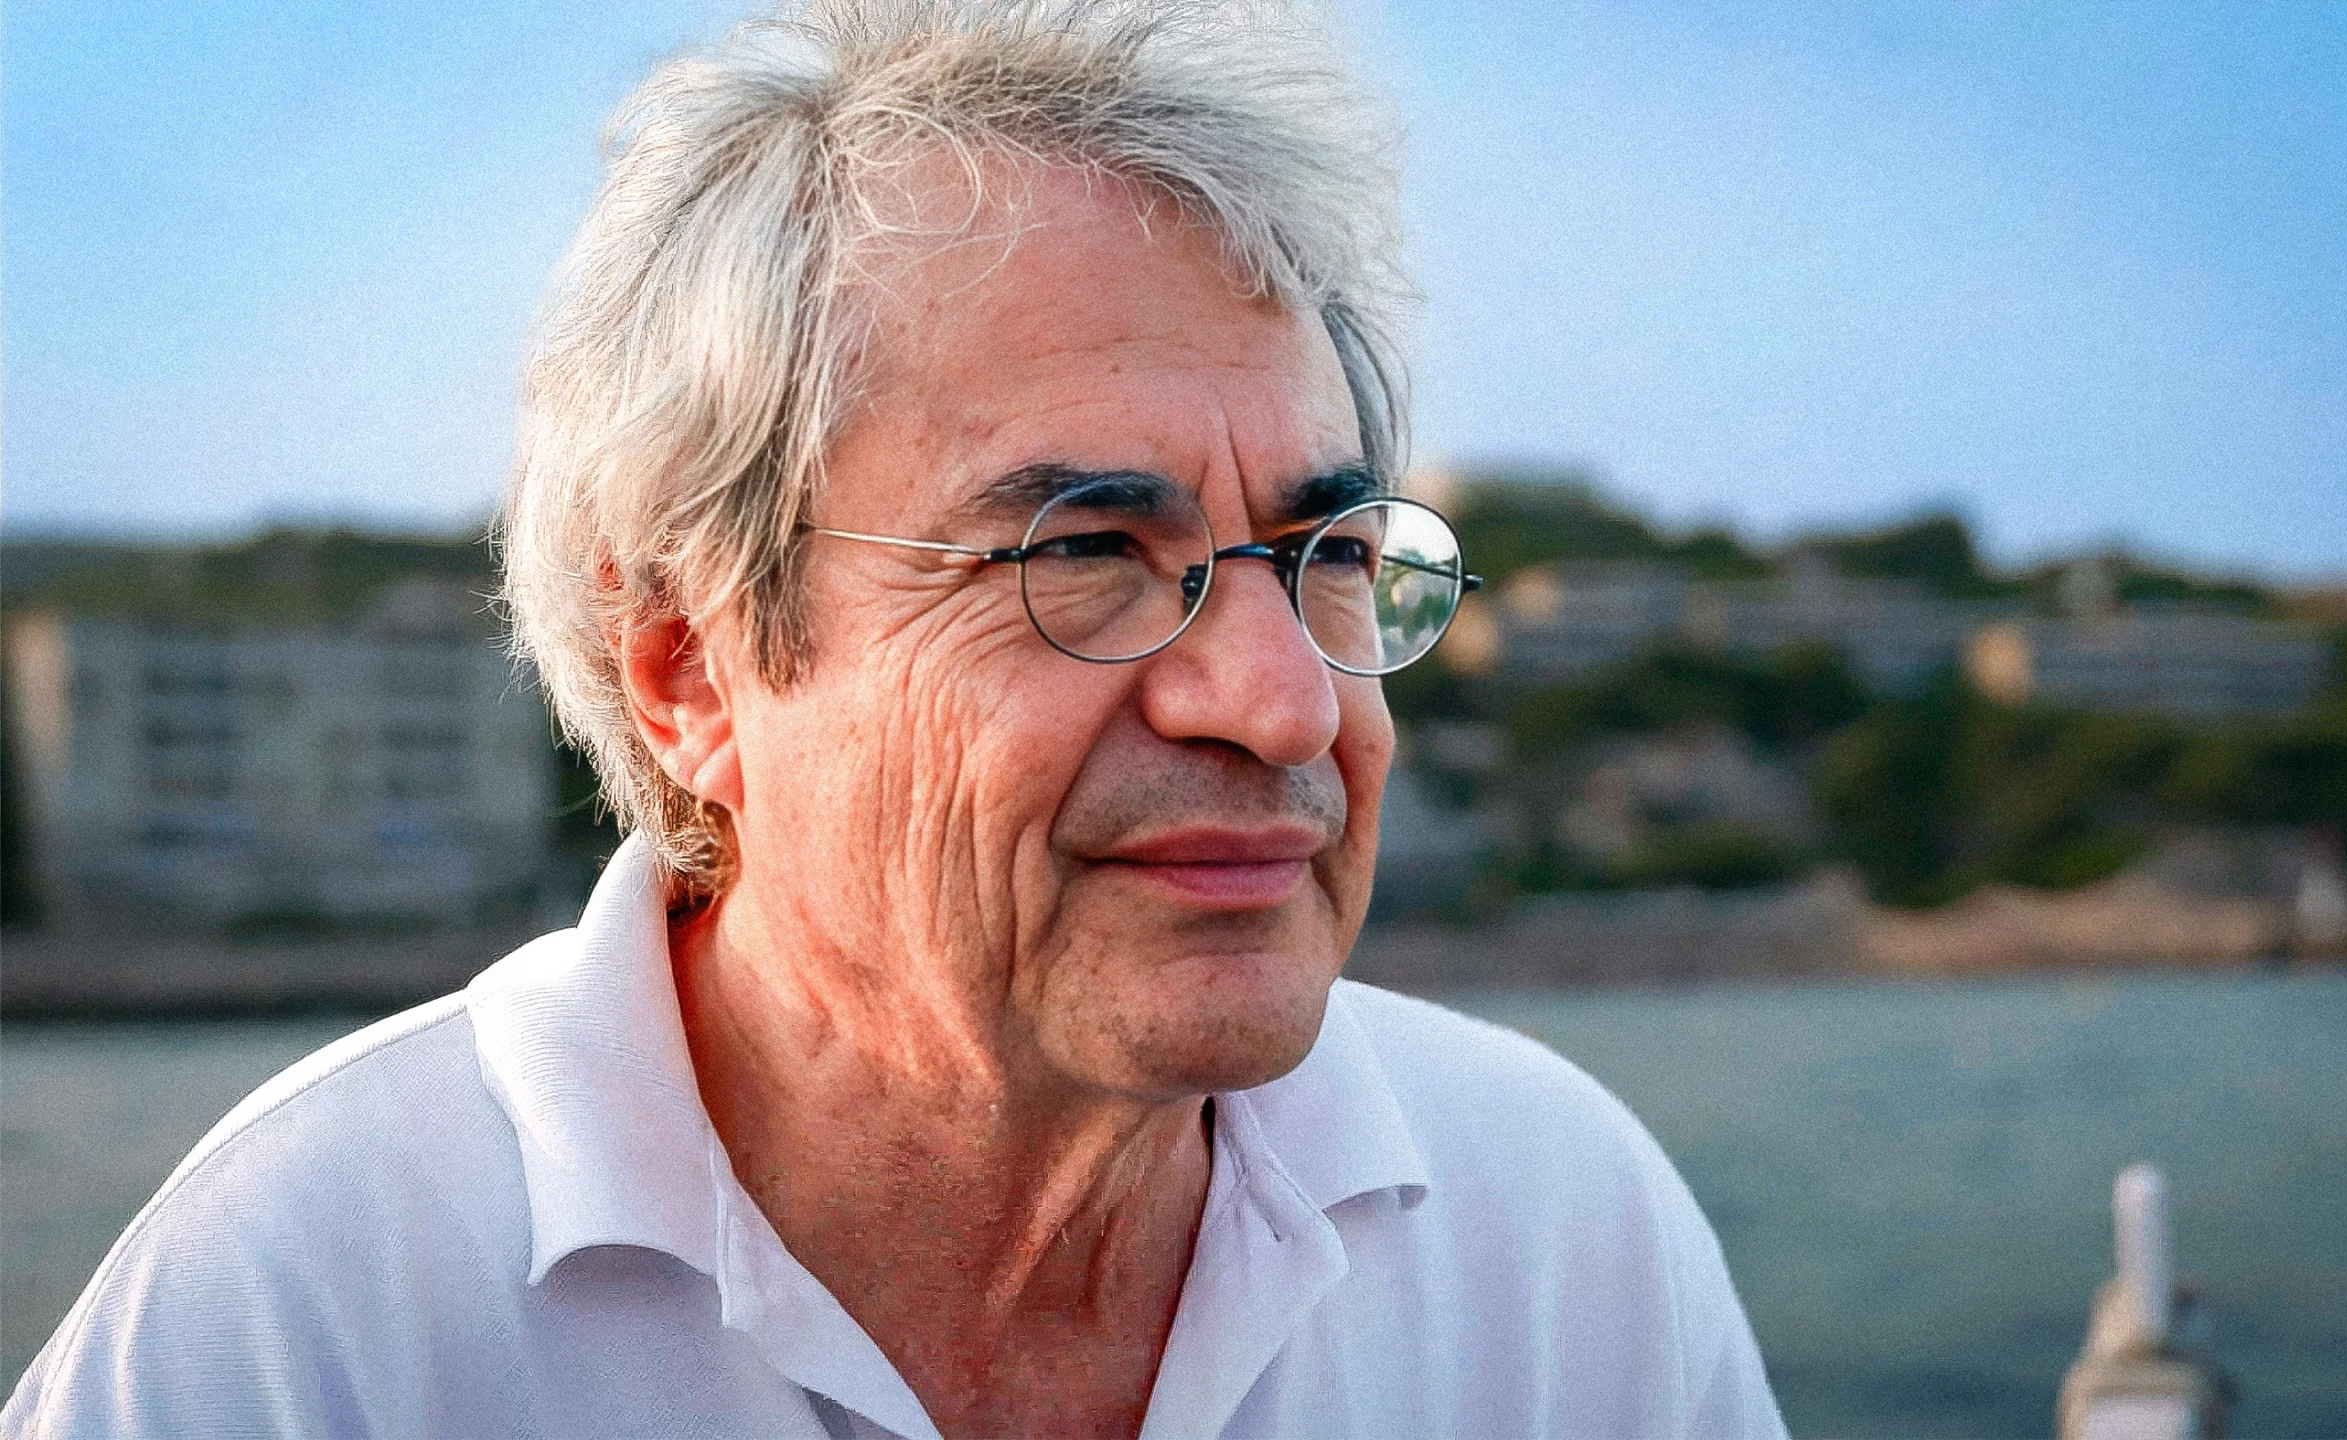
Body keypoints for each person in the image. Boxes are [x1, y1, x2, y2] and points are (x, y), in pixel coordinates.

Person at [5, 3, 1786, 1435]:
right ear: (688, 668)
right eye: (1087, 550)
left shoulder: (1560, 1234)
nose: (1280, 702)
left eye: (1323, 552)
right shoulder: (301, 1323)